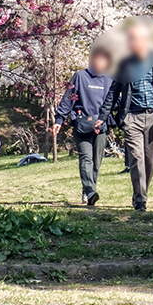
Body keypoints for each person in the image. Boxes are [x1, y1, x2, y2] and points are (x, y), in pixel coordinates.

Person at [100, 19, 153, 211]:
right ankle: (140, 199)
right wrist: (103, 116)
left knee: (151, 160)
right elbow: (113, 90)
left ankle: (143, 192)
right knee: (136, 158)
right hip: (131, 117)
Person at [54, 42, 115, 206]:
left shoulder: (109, 80)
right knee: (86, 158)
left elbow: (113, 102)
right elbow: (68, 98)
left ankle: (89, 190)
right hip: (82, 124)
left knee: (97, 161)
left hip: (101, 126)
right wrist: (59, 119)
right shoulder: (80, 77)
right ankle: (90, 192)